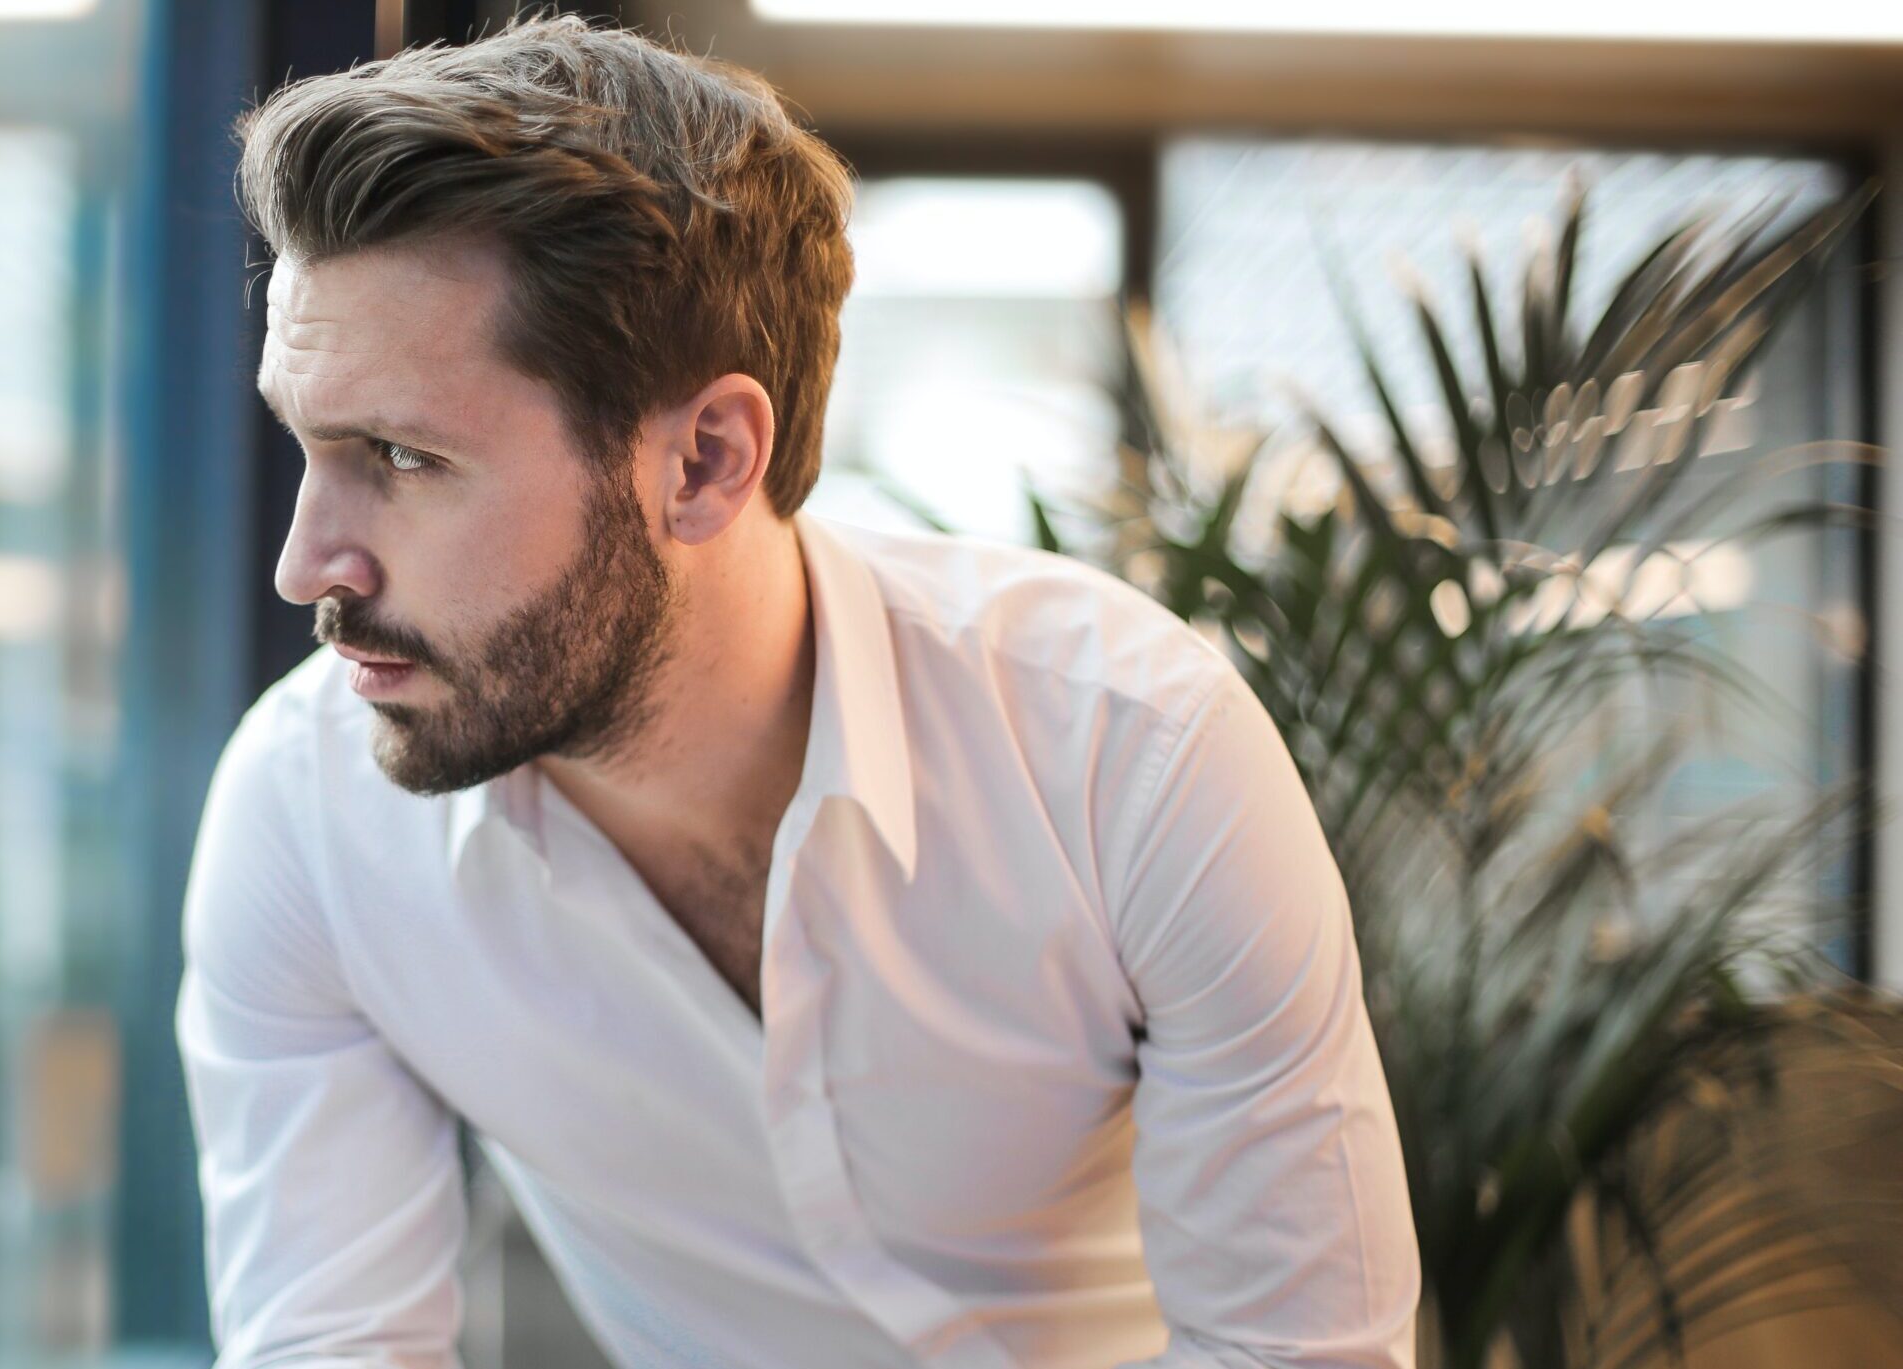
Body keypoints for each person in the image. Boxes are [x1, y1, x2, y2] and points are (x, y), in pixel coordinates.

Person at [179, 17, 1420, 1368]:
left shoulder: (1130, 758)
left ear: (705, 460)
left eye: (403, 457)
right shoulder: (307, 817)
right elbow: (330, 1345)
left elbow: (1296, 1354)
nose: (310, 563)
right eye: (307, 442)